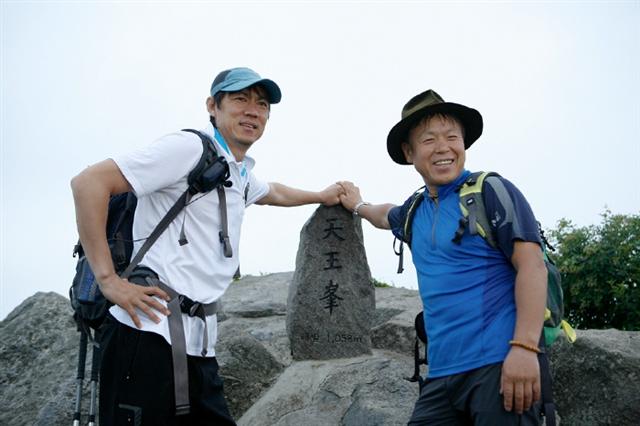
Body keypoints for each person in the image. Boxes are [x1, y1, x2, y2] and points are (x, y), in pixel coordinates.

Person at [71, 67, 342, 426]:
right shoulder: (189, 148)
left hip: (198, 346)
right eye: (240, 99)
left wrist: (321, 196)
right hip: (144, 335)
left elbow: (272, 191)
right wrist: (108, 280)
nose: (252, 111)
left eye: (261, 105)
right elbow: (88, 183)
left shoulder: (237, 171)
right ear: (213, 106)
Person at [338, 89, 548, 425]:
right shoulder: (415, 210)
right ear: (409, 152)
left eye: (452, 137)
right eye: (429, 140)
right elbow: (384, 214)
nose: (443, 148)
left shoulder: (490, 191)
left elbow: (533, 267)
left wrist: (524, 349)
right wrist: (358, 205)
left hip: (498, 364)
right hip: (441, 376)